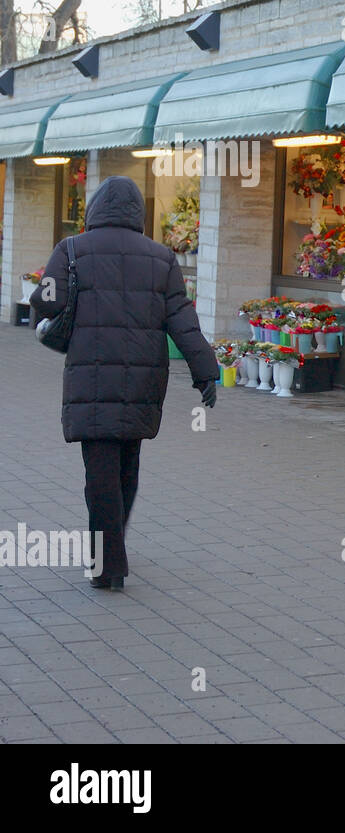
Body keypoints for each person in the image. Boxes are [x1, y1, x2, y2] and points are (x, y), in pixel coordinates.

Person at [32, 175, 218, 592]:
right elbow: (184, 323)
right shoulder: (161, 257)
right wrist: (207, 371)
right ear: (138, 213)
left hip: (91, 378)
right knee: (127, 465)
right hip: (143, 380)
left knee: (98, 472)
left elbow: (47, 301)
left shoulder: (72, 249)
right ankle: (112, 547)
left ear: (95, 208)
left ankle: (107, 563)